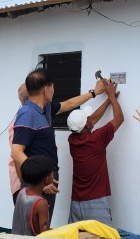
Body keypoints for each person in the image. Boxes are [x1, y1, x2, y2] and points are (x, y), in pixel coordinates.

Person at [11, 68, 106, 220]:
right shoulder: (27, 114)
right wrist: (39, 181)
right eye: (53, 87)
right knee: (37, 230)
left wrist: (94, 92)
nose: (54, 90)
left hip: (48, 178)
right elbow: (16, 152)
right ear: (46, 89)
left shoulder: (44, 108)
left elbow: (68, 104)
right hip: (38, 182)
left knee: (43, 225)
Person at [66, 78, 123, 224]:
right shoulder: (96, 139)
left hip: (76, 202)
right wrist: (110, 95)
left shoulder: (72, 139)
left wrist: (110, 100)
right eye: (87, 119)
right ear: (86, 126)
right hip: (95, 204)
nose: (90, 118)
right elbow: (119, 119)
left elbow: (92, 120)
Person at [11, 155, 56, 236]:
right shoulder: (41, 203)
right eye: (51, 173)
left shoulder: (22, 192)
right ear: (46, 179)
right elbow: (45, 233)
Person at [8, 83, 29, 203]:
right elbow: (16, 155)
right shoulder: (22, 121)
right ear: (27, 98)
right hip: (23, 183)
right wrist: (26, 185)